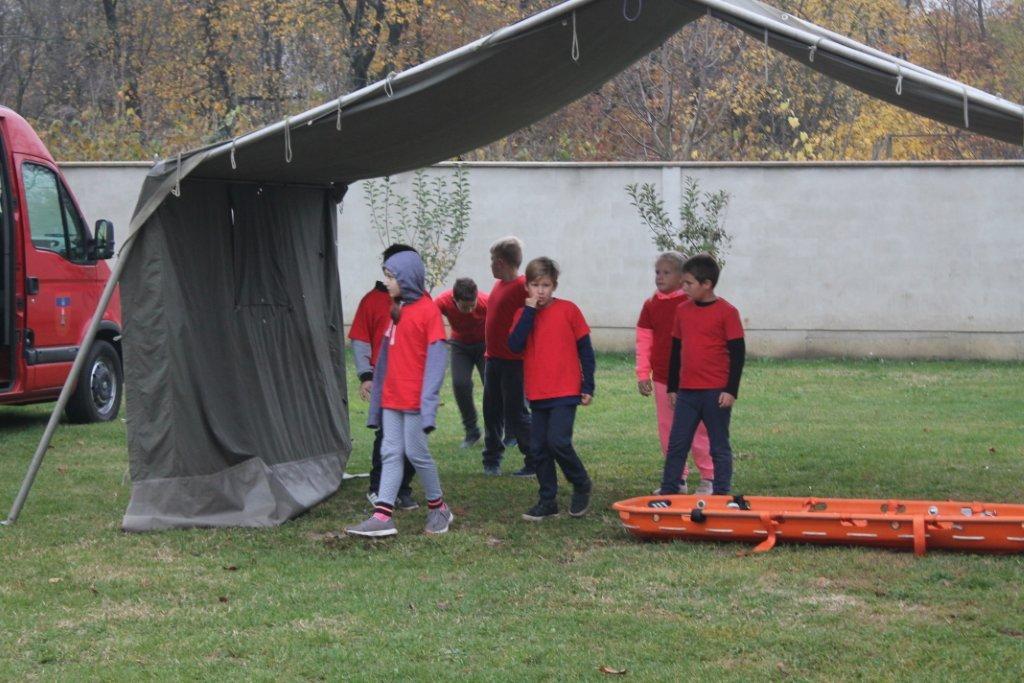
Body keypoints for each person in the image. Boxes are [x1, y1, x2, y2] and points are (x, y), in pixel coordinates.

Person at [346, 249, 454, 537]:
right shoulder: (398, 310)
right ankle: (382, 517)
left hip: (414, 400)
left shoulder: (428, 311)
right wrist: (377, 393)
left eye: (391, 277)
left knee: (417, 454)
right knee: (390, 452)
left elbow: (436, 360)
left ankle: (439, 508)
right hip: (393, 399)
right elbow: (384, 361)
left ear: (408, 278)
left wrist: (428, 399)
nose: (387, 283)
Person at [508, 257, 594, 521]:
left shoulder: (569, 310)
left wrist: (588, 383)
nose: (540, 291)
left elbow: (585, 350)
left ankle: (581, 483)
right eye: (535, 285)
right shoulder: (523, 315)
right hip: (537, 392)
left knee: (558, 442)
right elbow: (515, 344)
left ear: (554, 285)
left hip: (566, 389)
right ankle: (548, 500)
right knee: (538, 449)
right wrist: (530, 312)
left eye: (545, 285)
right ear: (527, 288)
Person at [657, 253, 745, 496]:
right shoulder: (683, 311)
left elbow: (738, 354)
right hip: (687, 392)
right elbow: (676, 350)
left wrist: (731, 390)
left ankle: (721, 493)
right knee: (677, 444)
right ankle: (669, 491)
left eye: (688, 283)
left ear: (707, 284)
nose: (683, 288)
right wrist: (673, 387)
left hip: (716, 392)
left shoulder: (727, 312)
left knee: (718, 446)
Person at [636, 251, 714, 495]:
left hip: (693, 379)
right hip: (661, 378)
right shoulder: (650, 305)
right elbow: (644, 341)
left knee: (698, 430)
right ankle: (676, 479)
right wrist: (642, 373)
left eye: (666, 272)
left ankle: (709, 477)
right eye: (657, 272)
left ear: (682, 278)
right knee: (668, 431)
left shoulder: (691, 305)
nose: (659, 277)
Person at [348, 244, 418, 510]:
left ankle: (403, 489)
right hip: (385, 382)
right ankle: (378, 488)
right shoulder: (372, 301)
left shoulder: (420, 301)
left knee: (413, 438)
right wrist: (366, 376)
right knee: (387, 437)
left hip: (411, 383)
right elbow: (360, 340)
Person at [481, 236, 534, 477]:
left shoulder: (523, 288)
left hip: (514, 362)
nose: (490, 265)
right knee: (491, 410)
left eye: (492, 260)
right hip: (493, 358)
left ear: (501, 262)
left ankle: (534, 459)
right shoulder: (500, 284)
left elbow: (533, 321)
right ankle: (492, 458)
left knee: (516, 413)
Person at [435, 278, 488, 449]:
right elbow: (428, 317)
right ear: (454, 300)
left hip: (484, 345)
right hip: (460, 346)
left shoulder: (486, 302)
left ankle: (495, 431)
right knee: (460, 384)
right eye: (465, 307)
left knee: (492, 387)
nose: (470, 310)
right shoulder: (443, 301)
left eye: (472, 305)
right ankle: (472, 432)